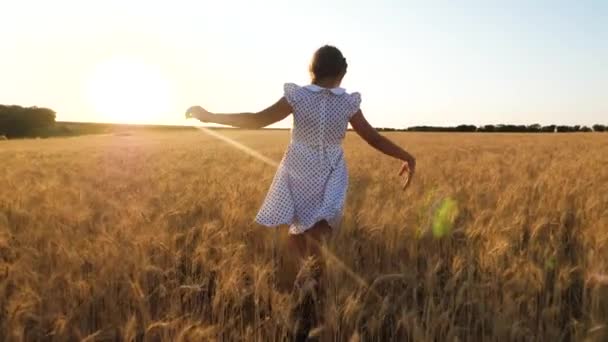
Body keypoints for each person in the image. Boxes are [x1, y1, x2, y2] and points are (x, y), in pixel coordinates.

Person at [185, 45, 416, 291]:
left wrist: (210, 116)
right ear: (343, 72)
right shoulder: (347, 104)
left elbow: (257, 119)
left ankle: (309, 279)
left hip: (298, 168)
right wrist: (407, 157)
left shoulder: (299, 97)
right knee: (318, 228)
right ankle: (311, 280)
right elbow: (374, 138)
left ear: (311, 71)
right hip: (330, 170)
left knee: (300, 230)